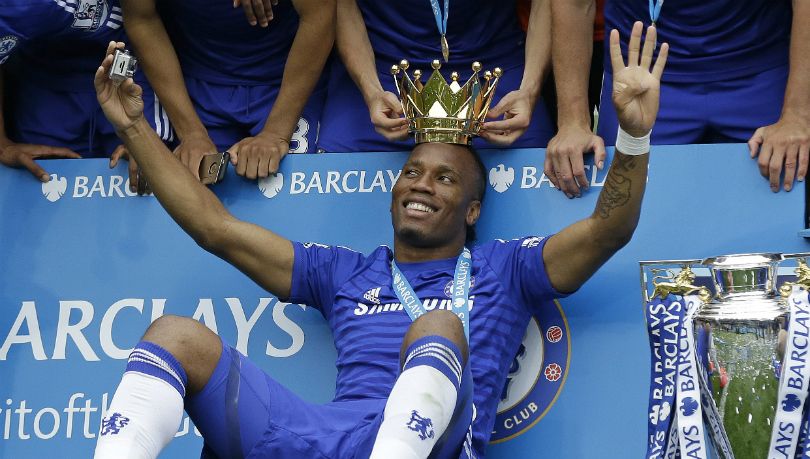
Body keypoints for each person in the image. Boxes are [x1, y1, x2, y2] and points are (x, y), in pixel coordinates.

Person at [92, 21, 667, 458]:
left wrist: (634, 137)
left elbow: (607, 228)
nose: (421, 185)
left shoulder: (506, 268)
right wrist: (135, 127)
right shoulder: (344, 272)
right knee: (175, 336)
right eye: (412, 172)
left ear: (472, 210)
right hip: (328, 436)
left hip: (433, 442)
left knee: (438, 325)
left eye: (445, 179)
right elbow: (214, 228)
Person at [548, 0, 809, 195]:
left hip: (760, 69)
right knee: (627, 221)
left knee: (777, 212)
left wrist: (798, 114)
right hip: (639, 75)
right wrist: (572, 122)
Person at [120, 0, 333, 183]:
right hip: (200, 89)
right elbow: (141, 19)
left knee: (293, 192)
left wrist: (275, 134)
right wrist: (191, 134)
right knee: (195, 192)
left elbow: (320, 15)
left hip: (285, 84)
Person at [316, 0, 555, 152]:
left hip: (494, 73)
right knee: (334, 175)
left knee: (540, 170)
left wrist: (529, 91)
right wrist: (371, 91)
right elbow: (341, 5)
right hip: (381, 69)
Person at [0, 0, 168, 186]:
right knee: (44, 187)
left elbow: (143, 21)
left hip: (127, 68)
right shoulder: (15, 7)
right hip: (46, 78)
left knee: (147, 176)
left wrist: (187, 133)